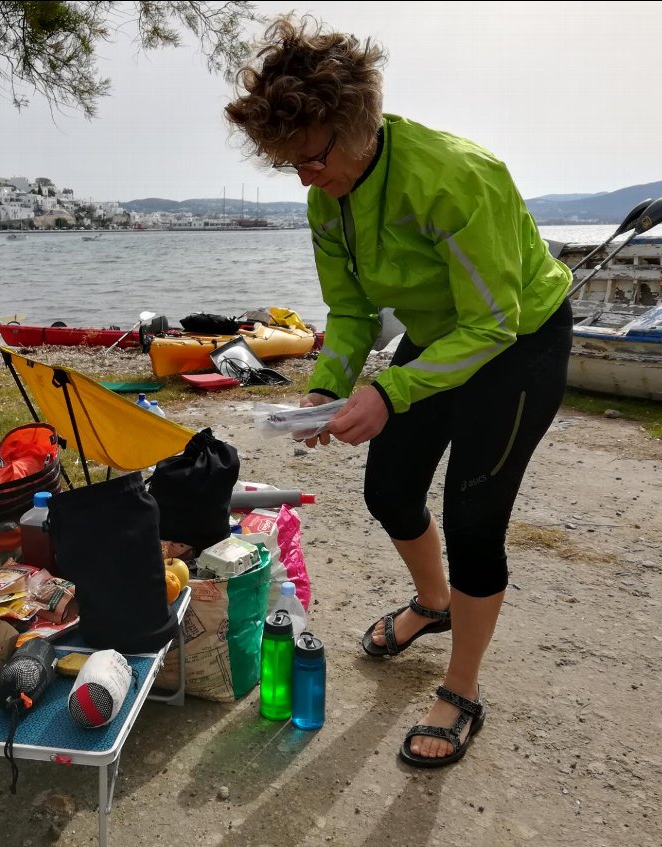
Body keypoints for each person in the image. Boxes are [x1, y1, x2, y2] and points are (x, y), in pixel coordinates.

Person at [225, 16, 573, 768]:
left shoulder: (455, 177)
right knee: (389, 488)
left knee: (476, 518)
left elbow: (492, 325)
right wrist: (327, 384)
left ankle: (462, 688)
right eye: (290, 165)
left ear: (358, 127)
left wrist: (390, 390)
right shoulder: (329, 196)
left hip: (517, 340)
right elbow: (351, 310)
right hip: (441, 331)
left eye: (312, 159)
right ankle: (434, 603)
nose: (305, 178)